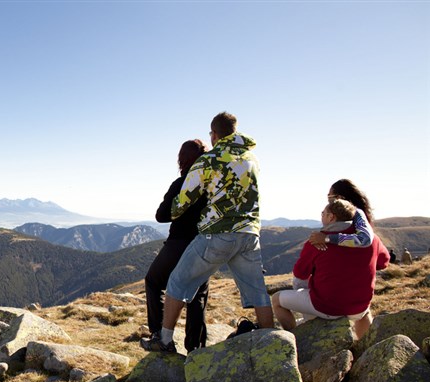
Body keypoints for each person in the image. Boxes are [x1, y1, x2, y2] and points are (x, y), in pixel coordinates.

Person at [142, 112, 274, 353]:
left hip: (218, 234)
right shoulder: (251, 158)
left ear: (214, 134)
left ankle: (163, 340)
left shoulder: (210, 160)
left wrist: (172, 210)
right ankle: (272, 344)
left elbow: (183, 200)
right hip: (250, 232)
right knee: (258, 292)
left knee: (177, 282)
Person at [272, 199, 390, 338]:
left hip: (326, 307)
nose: (321, 216)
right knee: (363, 310)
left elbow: (300, 273)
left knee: (276, 300)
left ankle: (296, 337)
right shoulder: (372, 239)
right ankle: (364, 345)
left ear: (331, 217)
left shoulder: (317, 241)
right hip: (360, 306)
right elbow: (383, 262)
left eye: (323, 213)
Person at [141, 140, 209, 354]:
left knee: (153, 281)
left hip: (179, 243)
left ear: (183, 159)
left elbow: (161, 216)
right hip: (205, 244)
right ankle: (196, 348)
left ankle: (159, 335)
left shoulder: (181, 183)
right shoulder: (212, 184)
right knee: (197, 294)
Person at [308, 179, 374, 251]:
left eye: (329, 196)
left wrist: (327, 238)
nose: (328, 201)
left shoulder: (356, 212)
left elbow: (364, 239)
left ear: (340, 198)